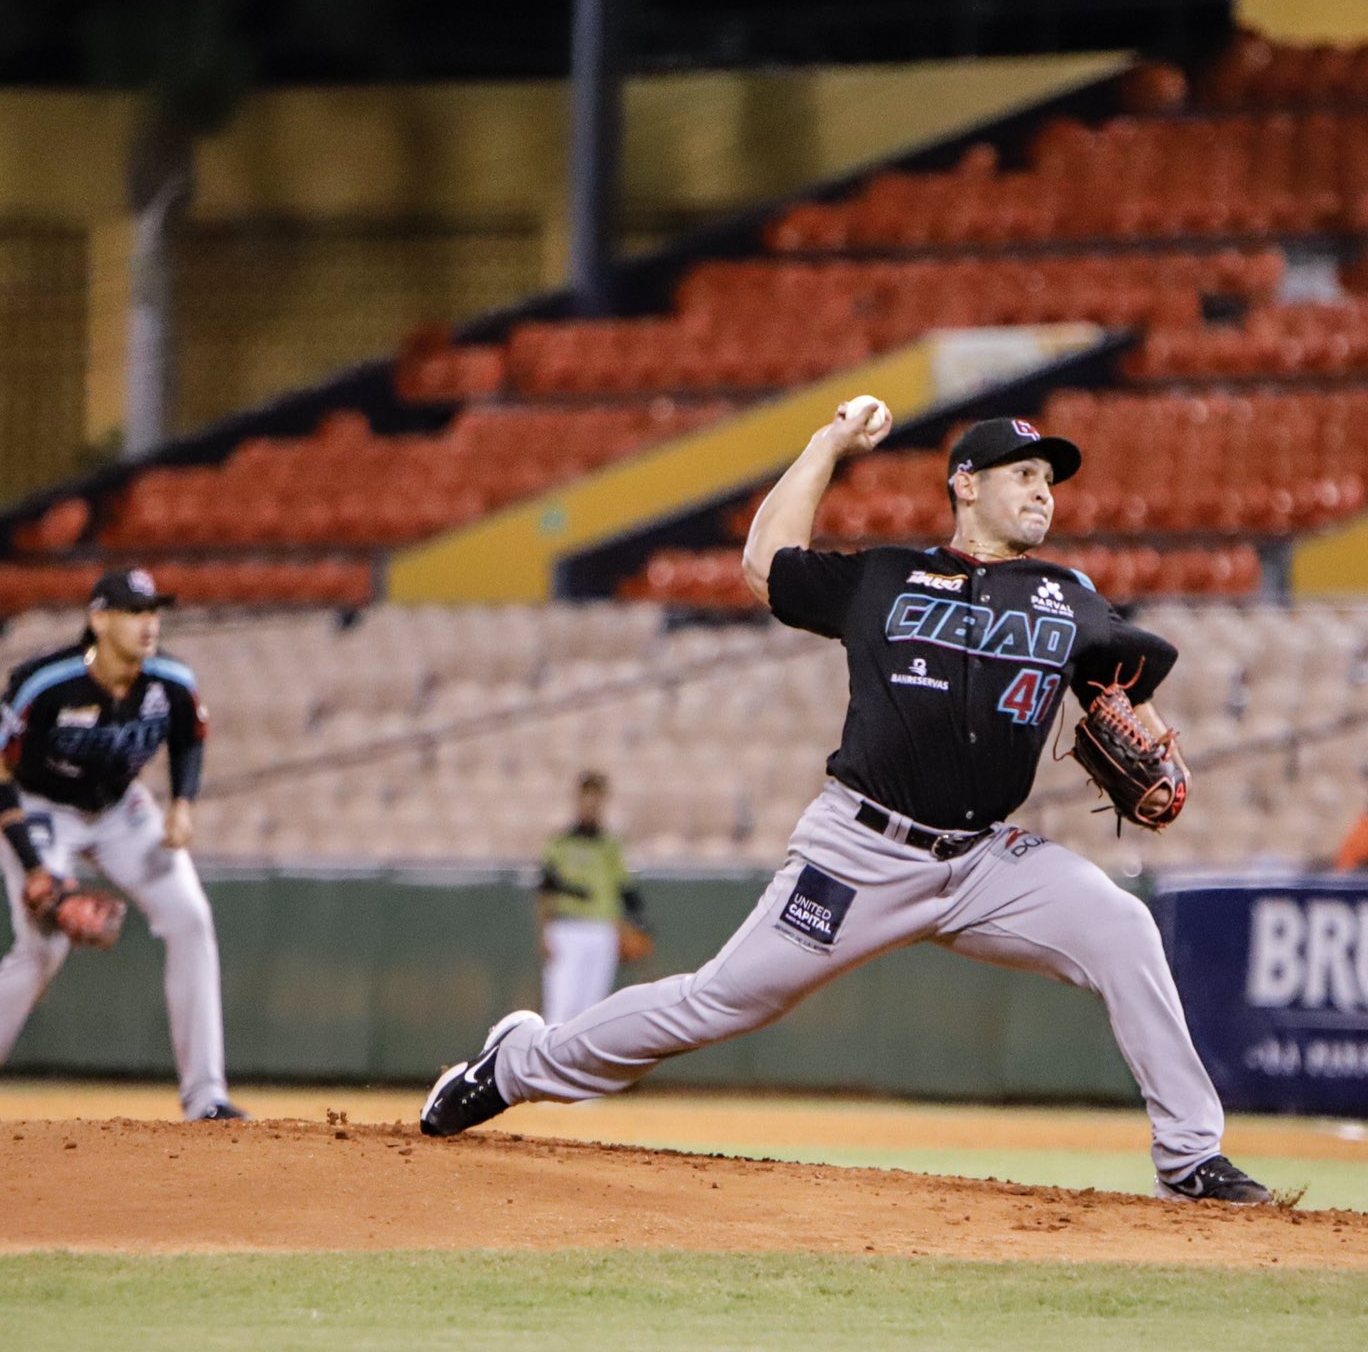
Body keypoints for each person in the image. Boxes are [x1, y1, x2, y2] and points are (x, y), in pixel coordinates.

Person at [422, 402, 1271, 1205]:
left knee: (1122, 928)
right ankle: (514, 1066)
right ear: (965, 484)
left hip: (984, 859)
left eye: (1051, 478)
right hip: (860, 852)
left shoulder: (1069, 597)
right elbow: (764, 566)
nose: (1044, 489)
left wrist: (1158, 754)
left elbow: (1119, 693)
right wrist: (828, 445)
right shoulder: (889, 577)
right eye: (1023, 473)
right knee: (719, 1001)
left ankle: (1190, 1157)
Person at [0, 566, 244, 1122]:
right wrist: (36, 867)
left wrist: (182, 804)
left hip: (121, 810)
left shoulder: (172, 681)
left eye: (153, 611)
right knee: (43, 948)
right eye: (133, 612)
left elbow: (189, 739)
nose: (148, 624)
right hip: (41, 809)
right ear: (98, 619)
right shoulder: (46, 684)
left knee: (191, 918)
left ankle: (206, 1098)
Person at [537, 771, 649, 1026]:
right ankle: (548, 1066)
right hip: (567, 927)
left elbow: (625, 891)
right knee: (560, 1007)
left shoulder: (611, 845)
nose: (591, 804)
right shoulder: (560, 843)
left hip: (602, 929)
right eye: (587, 797)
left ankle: (582, 1067)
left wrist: (635, 928)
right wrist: (544, 932)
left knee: (592, 1012)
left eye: (597, 798)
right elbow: (545, 890)